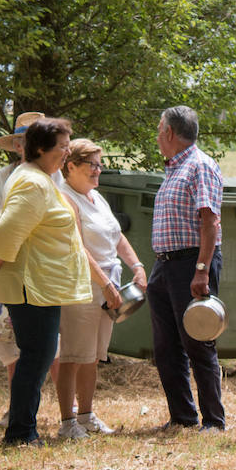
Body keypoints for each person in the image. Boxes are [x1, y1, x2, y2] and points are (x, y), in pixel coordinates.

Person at [0, 119, 92, 446]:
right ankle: (21, 433)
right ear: (40, 148)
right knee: (37, 357)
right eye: (63, 145)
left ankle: (23, 429)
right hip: (31, 286)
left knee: (37, 356)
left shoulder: (40, 178)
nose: (68, 150)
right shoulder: (33, 183)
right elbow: (5, 233)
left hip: (40, 285)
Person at [147, 106, 226, 432]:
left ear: (168, 132)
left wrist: (202, 270)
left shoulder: (200, 166)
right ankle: (182, 416)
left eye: (158, 131)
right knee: (166, 347)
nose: (157, 138)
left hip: (191, 263)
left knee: (198, 342)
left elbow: (210, 222)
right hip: (165, 265)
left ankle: (213, 420)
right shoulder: (173, 169)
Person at [57, 137, 140, 439]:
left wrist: (138, 267)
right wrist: (104, 283)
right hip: (82, 287)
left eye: (99, 165)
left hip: (108, 286)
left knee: (93, 355)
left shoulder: (96, 197)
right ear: (71, 166)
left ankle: (87, 415)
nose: (97, 171)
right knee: (73, 356)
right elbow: (78, 247)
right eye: (91, 165)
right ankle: (67, 423)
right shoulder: (65, 198)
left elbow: (117, 237)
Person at [0, 111, 47, 426]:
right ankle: (17, 409)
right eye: (21, 141)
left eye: (31, 140)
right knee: (10, 340)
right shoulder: (1, 178)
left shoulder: (55, 174)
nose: (25, 147)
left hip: (45, 268)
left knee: (51, 342)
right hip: (8, 265)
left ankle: (64, 412)